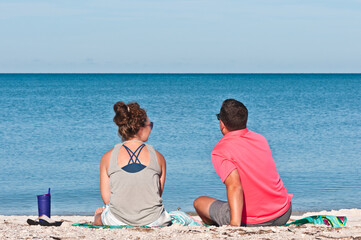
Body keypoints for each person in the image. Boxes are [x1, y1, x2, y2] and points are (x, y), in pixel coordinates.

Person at [193, 99, 293, 227]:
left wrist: (234, 224)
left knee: (199, 202)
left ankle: (214, 224)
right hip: (283, 212)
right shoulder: (260, 139)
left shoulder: (220, 150)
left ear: (222, 123)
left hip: (253, 221)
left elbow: (234, 186)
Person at [93, 101, 172, 227]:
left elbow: (107, 199)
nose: (151, 129)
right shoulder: (159, 157)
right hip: (153, 220)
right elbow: (156, 194)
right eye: (150, 125)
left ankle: (97, 217)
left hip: (118, 220)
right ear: (141, 128)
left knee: (99, 217)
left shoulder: (107, 157)